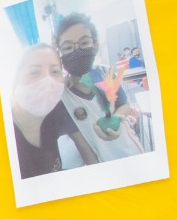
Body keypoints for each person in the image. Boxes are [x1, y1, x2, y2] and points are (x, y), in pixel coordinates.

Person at [55, 13, 143, 162]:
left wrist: (117, 118)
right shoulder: (62, 96)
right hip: (102, 162)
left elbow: (124, 105)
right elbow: (83, 147)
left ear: (95, 46)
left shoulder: (104, 73)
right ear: (60, 54)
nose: (77, 51)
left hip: (131, 151)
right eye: (68, 47)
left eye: (84, 43)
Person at [10, 44, 98, 178]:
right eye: (34, 72)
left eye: (55, 72)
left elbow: (89, 154)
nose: (47, 80)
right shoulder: (2, 136)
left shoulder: (55, 114)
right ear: (16, 80)